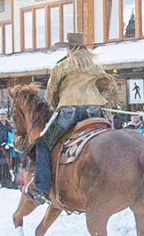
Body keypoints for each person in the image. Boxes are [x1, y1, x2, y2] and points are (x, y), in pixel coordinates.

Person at [28, 32, 118, 201]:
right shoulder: (94, 66)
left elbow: (50, 92)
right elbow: (110, 85)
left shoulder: (63, 66)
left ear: (70, 48)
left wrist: (57, 103)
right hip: (94, 110)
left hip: (69, 110)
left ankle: (41, 188)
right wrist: (99, 95)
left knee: (42, 144)